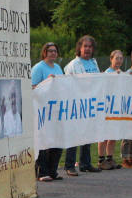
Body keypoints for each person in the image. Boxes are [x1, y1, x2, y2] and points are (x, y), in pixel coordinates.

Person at [63, 35, 102, 176]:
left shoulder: (93, 63)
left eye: (90, 47)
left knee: (88, 134)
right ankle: (69, 165)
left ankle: (85, 163)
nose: (87, 49)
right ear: (79, 48)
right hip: (76, 104)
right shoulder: (73, 65)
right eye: (85, 46)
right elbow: (67, 85)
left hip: (90, 104)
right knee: (74, 135)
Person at [31, 42, 64, 181]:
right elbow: (32, 86)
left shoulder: (58, 67)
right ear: (44, 52)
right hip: (42, 108)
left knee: (57, 139)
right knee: (43, 141)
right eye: (50, 51)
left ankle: (52, 170)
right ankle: (42, 171)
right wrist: (46, 82)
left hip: (56, 108)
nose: (52, 53)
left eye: (55, 51)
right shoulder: (38, 68)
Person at [97, 50, 124, 170]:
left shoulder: (122, 74)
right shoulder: (107, 73)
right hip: (107, 106)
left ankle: (110, 158)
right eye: (116, 58)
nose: (118, 61)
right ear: (111, 59)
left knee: (113, 135)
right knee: (104, 135)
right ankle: (101, 159)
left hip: (116, 107)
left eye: (120, 58)